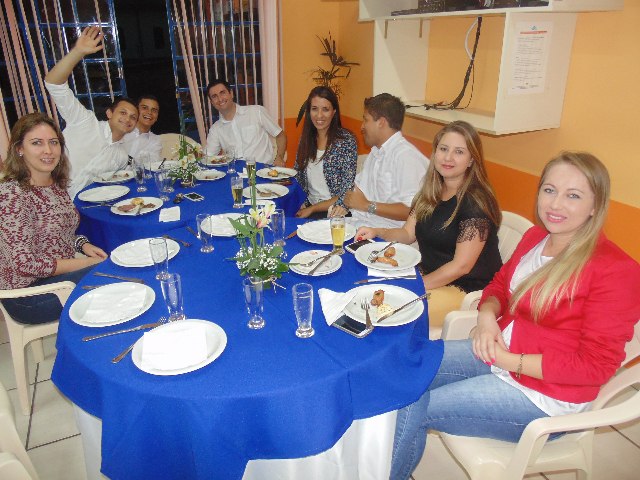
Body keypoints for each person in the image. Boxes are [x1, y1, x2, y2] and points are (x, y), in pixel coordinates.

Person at [389, 152, 640, 480]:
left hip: (544, 395)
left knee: (414, 404)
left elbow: (595, 366)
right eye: (549, 190)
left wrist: (507, 361)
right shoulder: (537, 238)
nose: (555, 204)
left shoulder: (615, 270)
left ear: (596, 206)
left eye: (573, 196)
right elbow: (499, 286)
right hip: (500, 351)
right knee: (408, 369)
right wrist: (486, 318)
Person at [356, 121, 502, 326]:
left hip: (466, 290)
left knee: (390, 310)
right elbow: (408, 234)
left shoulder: (475, 203)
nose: (448, 157)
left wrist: (417, 285)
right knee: (369, 288)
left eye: (459, 151)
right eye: (443, 149)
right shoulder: (431, 192)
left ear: (472, 160)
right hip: (431, 275)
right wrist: (377, 231)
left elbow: (461, 266)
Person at [0, 113, 108, 324]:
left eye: (53, 142)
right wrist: (85, 263)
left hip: (55, 279)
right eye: (36, 143)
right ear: (19, 149)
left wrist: (83, 245)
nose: (48, 150)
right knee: (113, 278)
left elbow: (59, 234)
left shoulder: (54, 184)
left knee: (116, 266)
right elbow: (25, 264)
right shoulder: (12, 195)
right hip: (28, 295)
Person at [44, 26, 138, 199]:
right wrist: (77, 52)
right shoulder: (84, 121)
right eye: (123, 112)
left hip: (82, 205)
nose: (128, 119)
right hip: (49, 195)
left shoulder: (120, 156)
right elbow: (54, 84)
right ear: (109, 113)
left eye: (133, 117)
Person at [333, 93, 429, 229]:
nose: (362, 126)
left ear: (381, 122)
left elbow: (413, 210)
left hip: (388, 236)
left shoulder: (406, 157)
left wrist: (368, 205)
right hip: (361, 226)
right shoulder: (375, 153)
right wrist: (346, 204)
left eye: (366, 120)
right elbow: (357, 194)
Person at [294, 86, 358, 219]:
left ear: (334, 111)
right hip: (308, 207)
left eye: (325, 109)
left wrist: (312, 209)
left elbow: (346, 191)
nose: (319, 115)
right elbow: (298, 175)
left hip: (335, 212)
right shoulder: (306, 138)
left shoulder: (346, 141)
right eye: (314, 109)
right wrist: (299, 201)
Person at [203, 78, 287, 166]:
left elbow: (280, 135)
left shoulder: (256, 112)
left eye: (222, 93)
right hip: (234, 173)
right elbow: (207, 157)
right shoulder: (216, 129)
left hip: (263, 170)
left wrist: (279, 157)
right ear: (212, 102)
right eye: (214, 96)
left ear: (231, 93)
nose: (220, 99)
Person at [121, 95, 162, 164]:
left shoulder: (155, 141)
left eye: (154, 110)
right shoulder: (122, 130)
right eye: (145, 108)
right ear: (136, 110)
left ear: (157, 117)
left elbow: (153, 163)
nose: (149, 112)